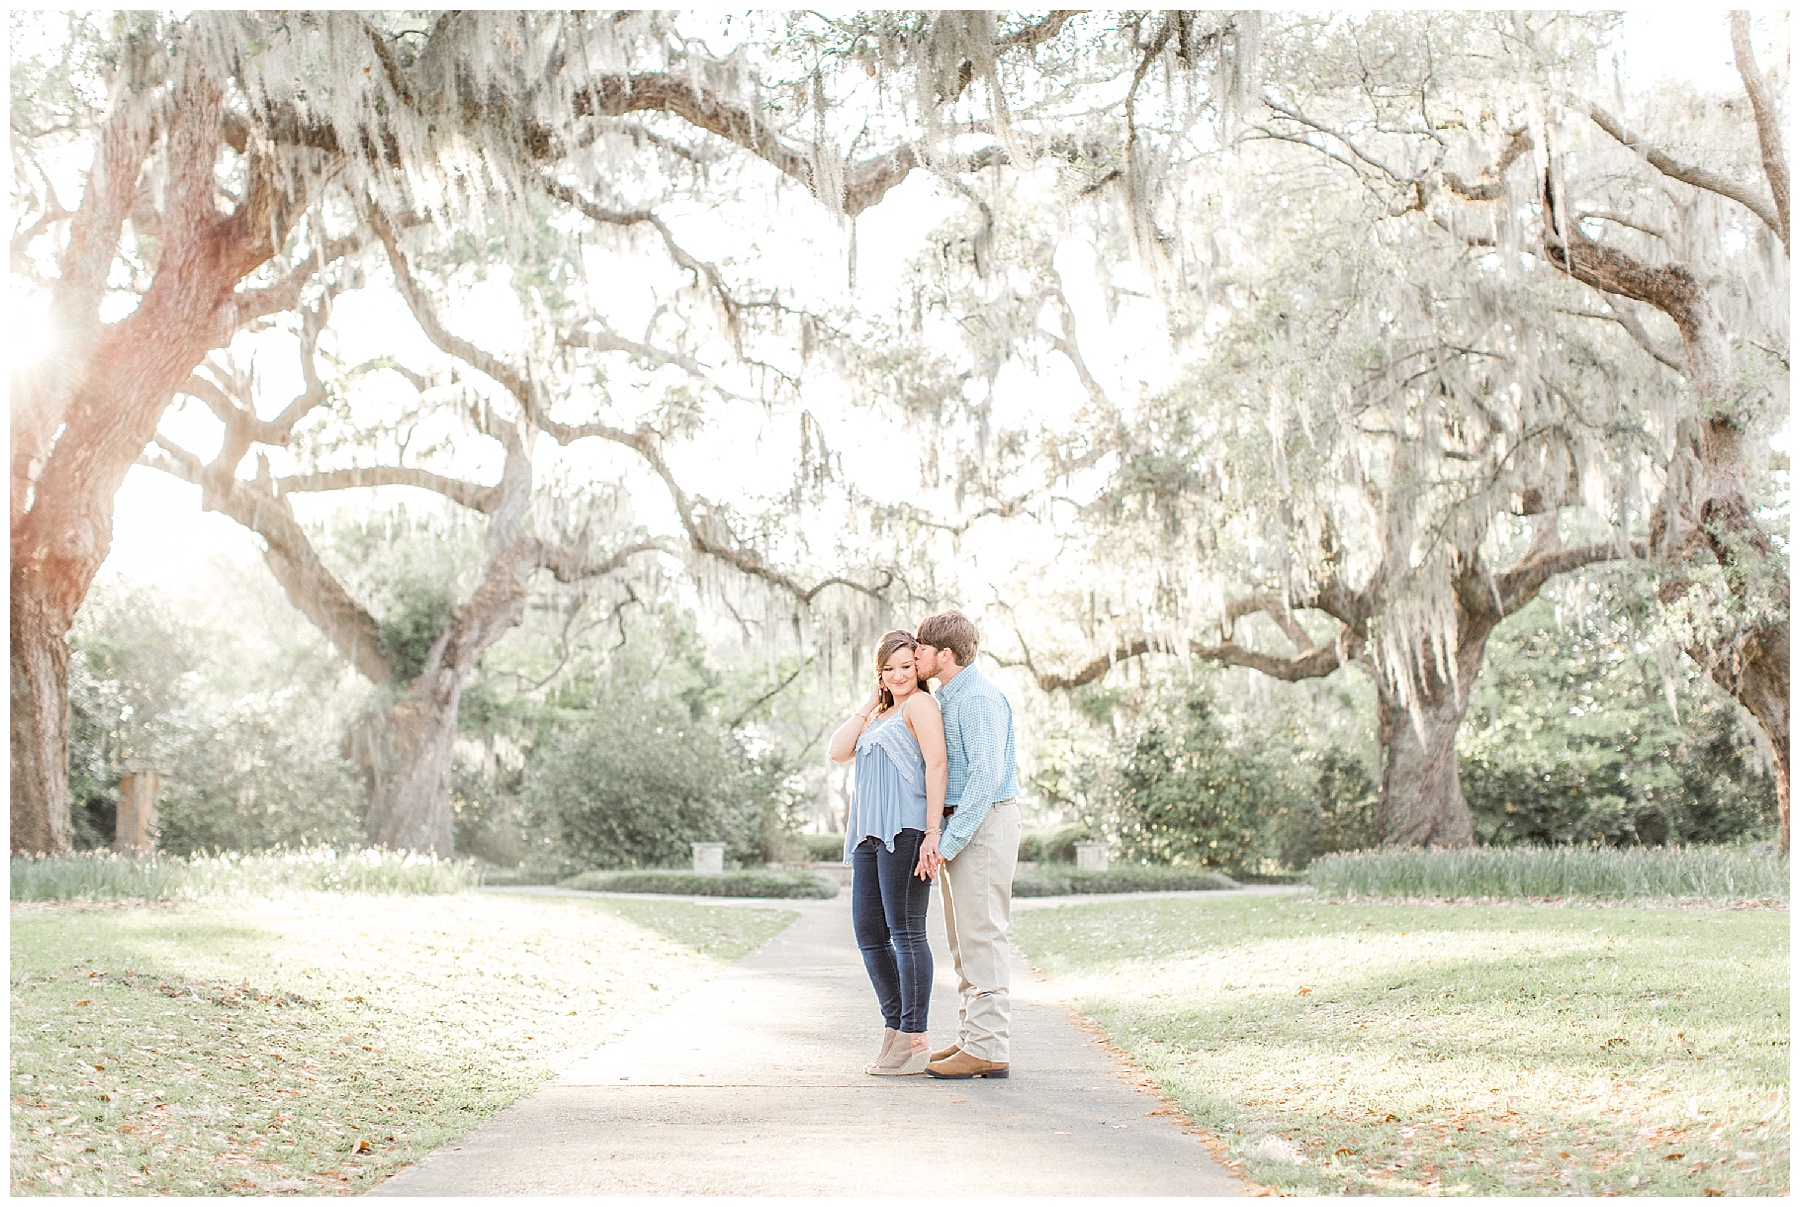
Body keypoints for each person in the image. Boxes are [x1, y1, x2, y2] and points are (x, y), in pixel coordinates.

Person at [827, 629, 948, 1076]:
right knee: (870, 936)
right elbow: (838, 750)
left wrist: (934, 831)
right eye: (889, 668)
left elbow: (937, 764)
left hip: (908, 831)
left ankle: (914, 1038)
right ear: (878, 673)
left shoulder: (921, 704)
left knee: (907, 933)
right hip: (868, 837)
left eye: (906, 666)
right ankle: (895, 1030)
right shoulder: (879, 714)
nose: (899, 675)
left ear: (918, 667)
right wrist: (869, 702)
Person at [912, 609, 1019, 1080]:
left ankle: (990, 1048)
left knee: (983, 934)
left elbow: (985, 778)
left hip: (985, 825)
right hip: (965, 827)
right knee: (963, 940)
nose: (915, 655)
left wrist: (948, 842)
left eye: (921, 648)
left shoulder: (976, 699)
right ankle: (973, 1038)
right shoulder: (949, 697)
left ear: (946, 654)